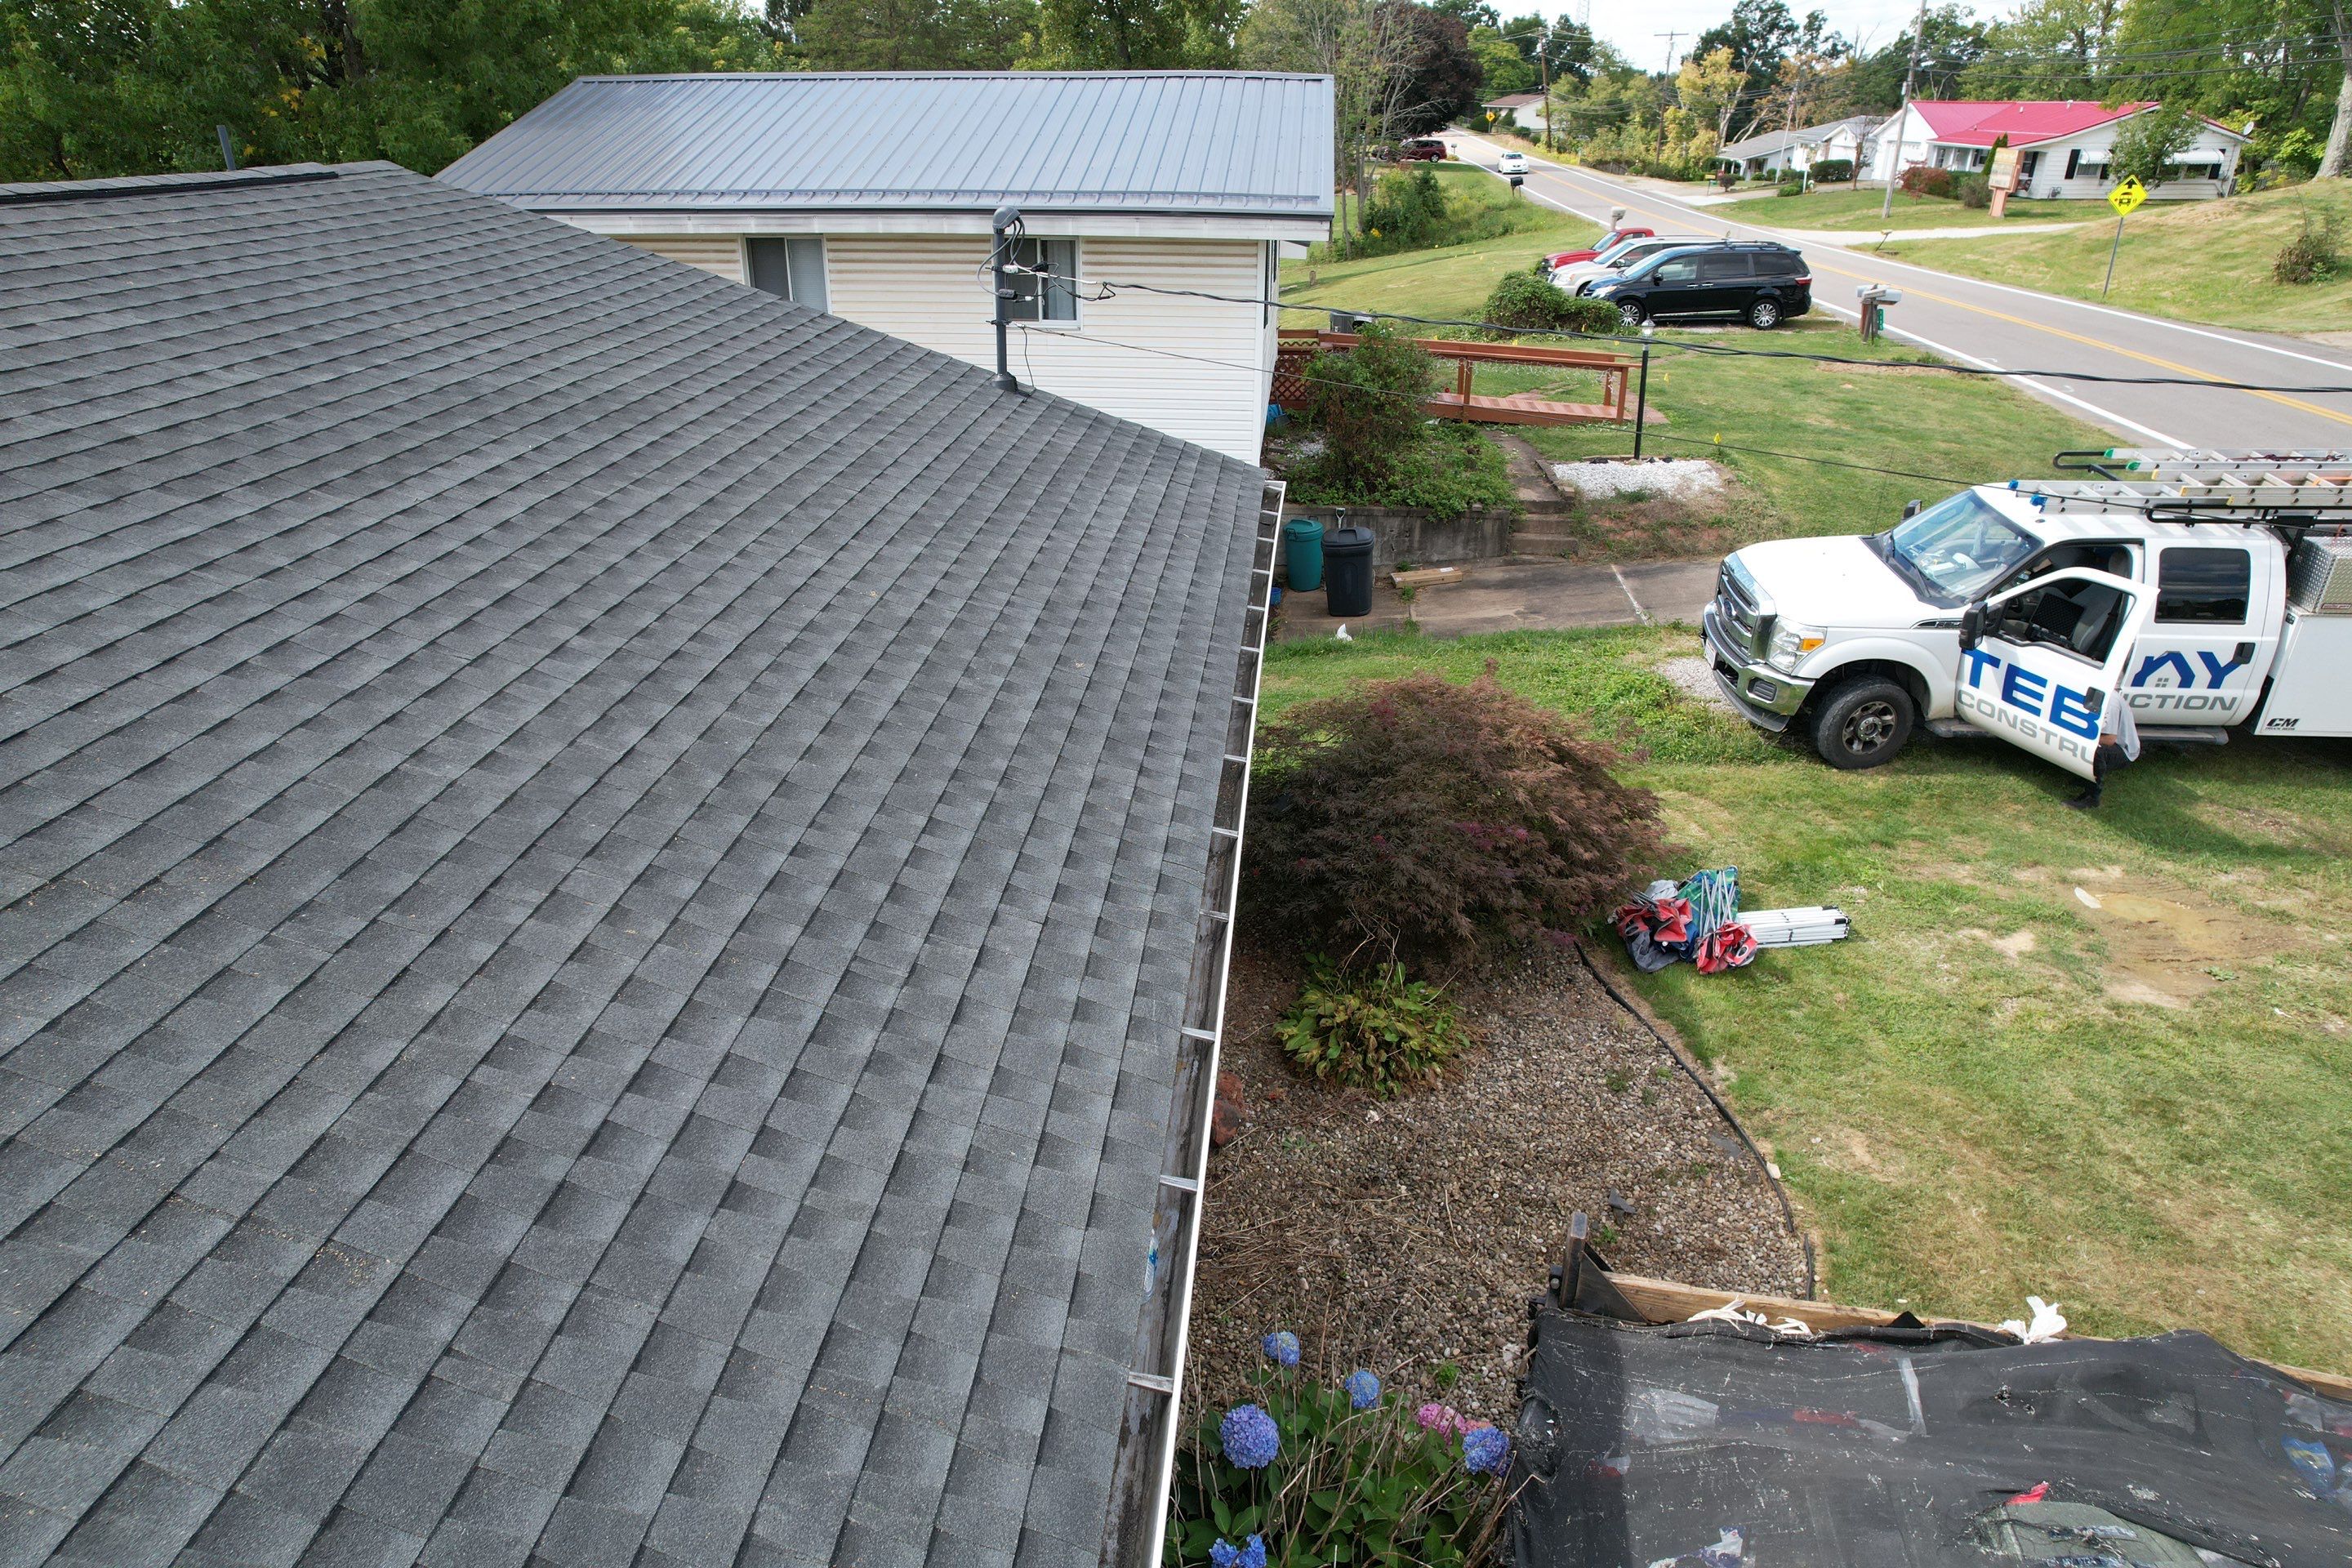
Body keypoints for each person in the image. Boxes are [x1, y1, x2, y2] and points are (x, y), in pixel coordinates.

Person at [2065, 685, 2140, 809]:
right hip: (2112, 741)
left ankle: (2091, 798)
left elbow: (2110, 739)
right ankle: (2083, 777)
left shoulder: (2111, 701)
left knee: (2095, 750)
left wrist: (2082, 739)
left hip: (2123, 749)